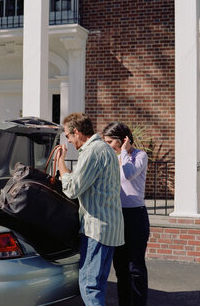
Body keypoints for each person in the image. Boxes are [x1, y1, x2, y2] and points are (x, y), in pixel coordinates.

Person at [57, 112, 124, 306]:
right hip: (109, 227)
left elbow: (72, 189)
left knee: (89, 285)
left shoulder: (93, 151)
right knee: (99, 284)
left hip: (96, 228)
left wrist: (61, 162)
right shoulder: (105, 149)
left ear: (76, 132)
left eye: (68, 136)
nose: (68, 141)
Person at [102, 122, 150, 306]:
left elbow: (129, 174)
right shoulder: (113, 158)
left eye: (109, 142)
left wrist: (124, 151)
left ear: (123, 140)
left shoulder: (140, 156)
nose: (107, 146)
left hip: (135, 217)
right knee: (120, 267)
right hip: (117, 215)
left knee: (135, 267)